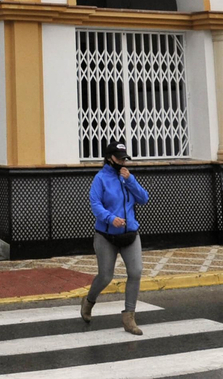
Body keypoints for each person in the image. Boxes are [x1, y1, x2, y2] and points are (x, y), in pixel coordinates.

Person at [81, 141, 150, 335]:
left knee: (135, 272)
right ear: (109, 158)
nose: (122, 162)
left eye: (124, 159)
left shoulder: (127, 177)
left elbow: (144, 199)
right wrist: (110, 219)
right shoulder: (100, 179)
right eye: (119, 159)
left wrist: (131, 180)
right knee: (105, 276)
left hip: (130, 233)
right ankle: (89, 301)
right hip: (106, 236)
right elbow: (95, 204)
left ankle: (129, 317)